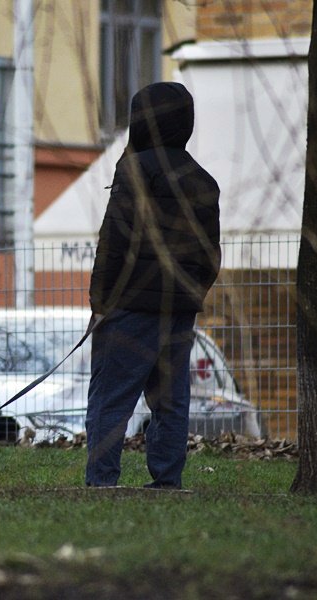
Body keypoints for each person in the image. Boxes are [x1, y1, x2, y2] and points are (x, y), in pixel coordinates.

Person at [85, 82, 221, 489]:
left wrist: (101, 301)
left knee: (110, 401)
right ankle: (167, 483)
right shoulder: (203, 180)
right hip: (178, 310)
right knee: (171, 403)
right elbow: (210, 255)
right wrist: (190, 294)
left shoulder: (133, 170)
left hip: (128, 308)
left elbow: (115, 242)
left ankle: (102, 482)